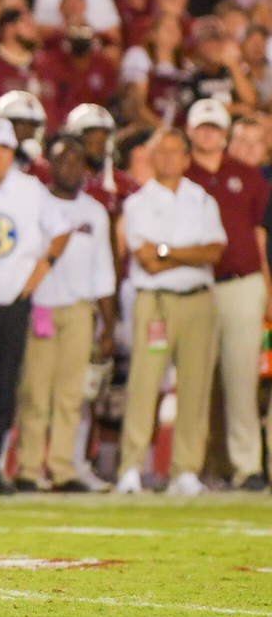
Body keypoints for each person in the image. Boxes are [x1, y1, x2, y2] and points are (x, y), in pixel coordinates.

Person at [117, 128, 226, 496]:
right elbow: (146, 261)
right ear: (150, 158)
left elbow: (214, 252)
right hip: (156, 301)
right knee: (144, 384)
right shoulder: (138, 202)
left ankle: (185, 470)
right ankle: (131, 467)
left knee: (196, 386)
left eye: (174, 151)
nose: (167, 158)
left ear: (186, 158)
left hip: (198, 299)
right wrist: (186, 253)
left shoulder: (202, 199)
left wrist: (166, 250)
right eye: (160, 151)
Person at [0, 118, 71, 495]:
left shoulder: (30, 190)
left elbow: (62, 229)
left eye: (4, 150)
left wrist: (41, 269)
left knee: (2, 389)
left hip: (12, 300)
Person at [15, 137, 117, 492]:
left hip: (78, 309)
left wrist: (108, 325)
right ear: (49, 165)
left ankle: (62, 467)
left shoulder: (95, 212)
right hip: (39, 306)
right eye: (62, 160)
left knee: (70, 394)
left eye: (76, 161)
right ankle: (28, 468)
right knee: (35, 392)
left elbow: (104, 270)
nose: (70, 168)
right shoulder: (34, 204)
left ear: (86, 168)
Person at [182, 100, 271, 492]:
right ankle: (191, 466)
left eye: (215, 128)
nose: (209, 135)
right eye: (203, 127)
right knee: (195, 382)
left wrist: (267, 288)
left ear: (223, 135)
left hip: (242, 284)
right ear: (190, 131)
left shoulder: (248, 176)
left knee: (241, 381)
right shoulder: (182, 174)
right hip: (196, 285)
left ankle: (246, 465)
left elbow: (260, 237)